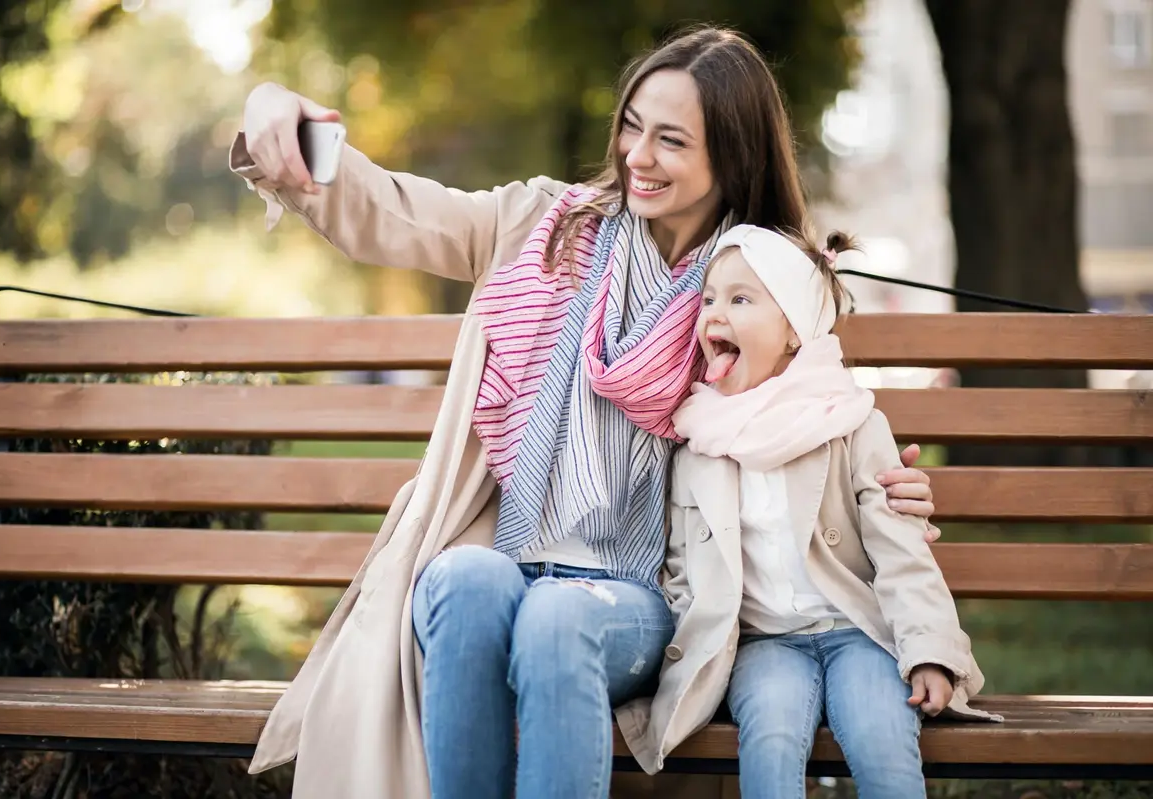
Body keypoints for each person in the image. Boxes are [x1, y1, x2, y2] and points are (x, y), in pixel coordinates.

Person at [231, 25, 941, 799]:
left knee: (558, 617)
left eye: (670, 139)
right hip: (510, 553)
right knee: (462, 579)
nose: (637, 155)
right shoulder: (546, 225)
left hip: (639, 595)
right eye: (632, 126)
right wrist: (277, 116)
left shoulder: (756, 288)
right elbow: (398, 211)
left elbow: (813, 416)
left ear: (731, 156)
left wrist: (883, 488)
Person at [622, 225, 1000, 798]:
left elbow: (900, 553)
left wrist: (929, 652)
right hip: (765, 642)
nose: (713, 314)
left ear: (795, 333)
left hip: (858, 631)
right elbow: (681, 568)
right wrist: (693, 647)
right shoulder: (698, 440)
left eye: (741, 299)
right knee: (770, 736)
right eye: (708, 298)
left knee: (881, 732)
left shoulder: (848, 423)